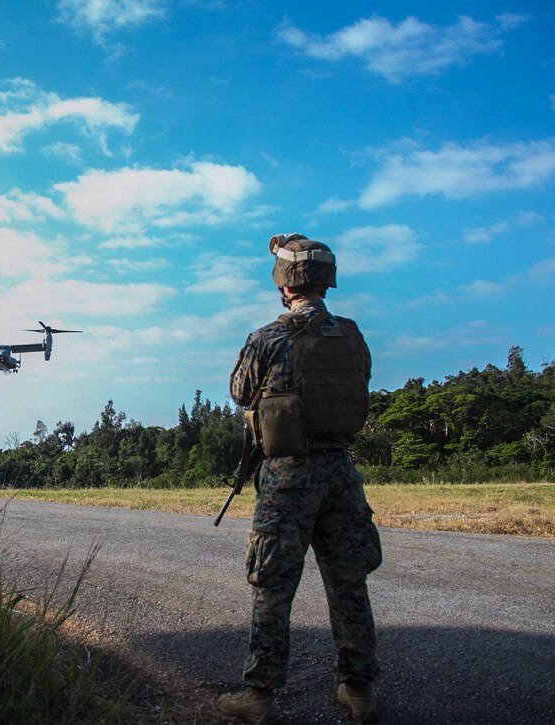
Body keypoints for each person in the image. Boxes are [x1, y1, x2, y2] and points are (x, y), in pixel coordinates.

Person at [216, 233, 382, 724]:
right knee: (350, 585)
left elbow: (240, 391)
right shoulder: (353, 335)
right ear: (325, 281)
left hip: (289, 476)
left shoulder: (269, 337)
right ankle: (359, 692)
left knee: (272, 587)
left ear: (283, 283)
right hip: (343, 476)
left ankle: (260, 697)